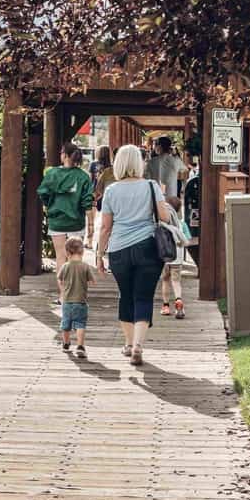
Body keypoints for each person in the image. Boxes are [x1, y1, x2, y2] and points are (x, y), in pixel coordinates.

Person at [96, 144, 173, 366]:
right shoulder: (151, 186)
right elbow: (164, 218)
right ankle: (138, 345)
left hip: (119, 250)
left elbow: (105, 228)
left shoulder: (111, 190)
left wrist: (100, 254)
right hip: (148, 247)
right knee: (144, 296)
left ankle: (128, 345)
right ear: (139, 163)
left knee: (126, 295)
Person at [38, 142, 94, 280]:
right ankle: (76, 292)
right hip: (76, 221)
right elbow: (87, 202)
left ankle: (63, 296)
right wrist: (91, 224)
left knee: (60, 258)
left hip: (57, 221)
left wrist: (50, 204)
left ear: (65, 155)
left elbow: (43, 193)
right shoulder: (84, 176)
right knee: (76, 259)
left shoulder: (52, 174)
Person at [57, 236, 94, 358]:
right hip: (81, 302)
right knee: (80, 324)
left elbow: (60, 279)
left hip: (67, 302)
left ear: (67, 253)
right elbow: (92, 281)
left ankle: (66, 344)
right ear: (82, 252)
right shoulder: (85, 266)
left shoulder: (65, 266)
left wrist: (63, 290)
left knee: (65, 324)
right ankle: (80, 346)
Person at [159, 207, 187, 319]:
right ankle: (178, 300)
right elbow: (187, 239)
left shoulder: (160, 226)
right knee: (176, 281)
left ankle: (166, 306)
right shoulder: (181, 225)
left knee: (165, 280)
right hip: (177, 258)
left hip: (164, 259)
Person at [144, 135, 186, 207]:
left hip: (155, 196)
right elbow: (184, 169)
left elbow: (146, 178)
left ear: (159, 146)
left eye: (155, 145)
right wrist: (175, 155)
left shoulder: (151, 162)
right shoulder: (175, 160)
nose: (154, 147)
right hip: (172, 196)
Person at [89, 146, 115, 249]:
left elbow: (91, 180)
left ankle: (90, 242)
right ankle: (106, 243)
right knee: (107, 221)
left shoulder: (93, 164)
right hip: (106, 194)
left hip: (95, 193)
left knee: (91, 220)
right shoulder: (111, 167)